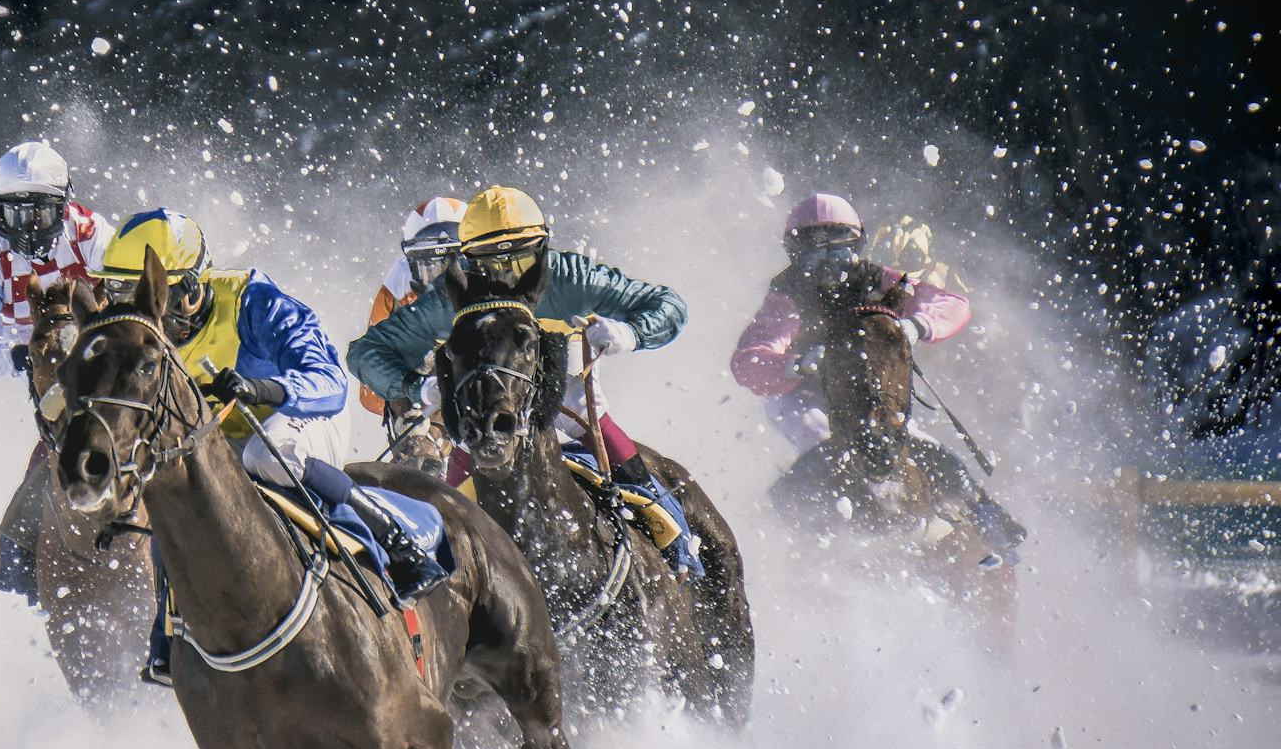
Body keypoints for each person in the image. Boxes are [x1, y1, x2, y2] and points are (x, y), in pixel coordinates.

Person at [94, 208, 446, 685]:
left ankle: (397, 538)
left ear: (193, 288)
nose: (142, 313)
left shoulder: (253, 300)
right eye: (121, 296)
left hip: (300, 417)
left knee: (265, 456)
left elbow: (329, 381)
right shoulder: (135, 342)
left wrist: (262, 390)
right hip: (221, 440)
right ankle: (169, 629)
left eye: (154, 294)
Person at [730, 192, 1025, 556]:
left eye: (838, 252)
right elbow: (748, 360)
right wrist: (796, 364)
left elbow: (952, 304)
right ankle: (791, 531)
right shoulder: (786, 296)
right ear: (795, 254)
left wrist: (917, 325)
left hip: (867, 391)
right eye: (814, 255)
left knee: (925, 447)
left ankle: (986, 517)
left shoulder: (880, 280)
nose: (828, 266)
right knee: (823, 440)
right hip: (801, 395)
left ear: (857, 247)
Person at [347, 185, 687, 474]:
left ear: (543, 249)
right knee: (462, 436)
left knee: (585, 414)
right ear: (466, 259)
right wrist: (417, 387)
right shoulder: (447, 294)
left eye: (521, 261)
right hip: (491, 377)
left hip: (560, 362)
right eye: (489, 264)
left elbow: (669, 305)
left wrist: (632, 333)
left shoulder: (571, 277)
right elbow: (366, 353)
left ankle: (653, 509)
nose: (506, 275)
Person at [0, 141, 111, 601]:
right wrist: (16, 357)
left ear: (63, 205)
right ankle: (24, 563)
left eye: (38, 214)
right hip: (42, 363)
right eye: (13, 214)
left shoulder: (92, 233)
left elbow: (130, 300)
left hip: (101, 354)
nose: (26, 228)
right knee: (54, 449)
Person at [358, 197, 467, 474]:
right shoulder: (395, 291)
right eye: (432, 266)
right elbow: (371, 383)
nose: (444, 280)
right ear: (411, 263)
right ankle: (421, 456)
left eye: (454, 263)